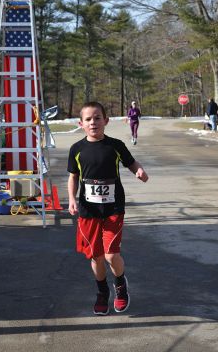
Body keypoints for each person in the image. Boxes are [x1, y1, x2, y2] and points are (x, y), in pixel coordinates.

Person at [67, 101, 148, 316]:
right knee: (96, 256)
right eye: (88, 119)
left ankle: (120, 287)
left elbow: (131, 162)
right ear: (81, 123)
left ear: (106, 121)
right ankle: (102, 292)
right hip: (88, 211)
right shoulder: (77, 149)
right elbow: (73, 177)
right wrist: (71, 199)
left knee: (111, 255)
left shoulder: (115, 145)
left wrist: (139, 171)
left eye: (97, 118)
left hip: (113, 208)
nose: (93, 122)